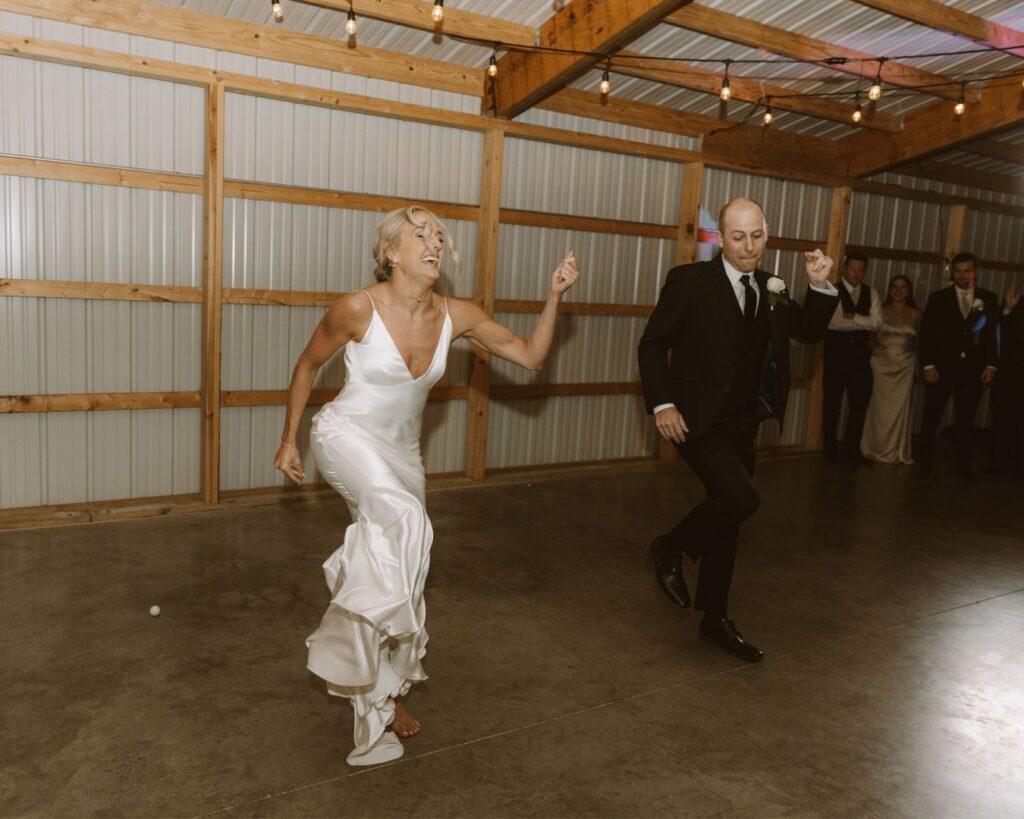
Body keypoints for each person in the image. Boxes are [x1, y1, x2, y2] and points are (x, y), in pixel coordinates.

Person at [274, 206, 579, 766]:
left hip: (403, 457)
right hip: (344, 434)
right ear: (393, 252)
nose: (434, 243)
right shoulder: (355, 309)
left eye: (439, 236)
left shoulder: (456, 314)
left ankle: (382, 692)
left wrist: (554, 295)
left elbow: (531, 358)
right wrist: (289, 439)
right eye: (421, 235)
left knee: (404, 568)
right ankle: (370, 706)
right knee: (404, 522)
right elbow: (306, 366)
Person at [638, 197, 838, 663]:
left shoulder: (772, 286)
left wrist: (820, 285)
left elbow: (806, 330)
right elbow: (653, 343)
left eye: (757, 236)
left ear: (767, 234)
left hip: (745, 421)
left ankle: (715, 619)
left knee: (728, 517)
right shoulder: (689, 282)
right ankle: (669, 547)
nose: (748, 247)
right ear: (720, 238)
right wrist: (662, 403)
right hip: (697, 420)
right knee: (742, 499)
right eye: (738, 237)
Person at [918, 252, 999, 478]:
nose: (963, 275)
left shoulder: (988, 299)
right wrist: (928, 365)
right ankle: (924, 465)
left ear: (976, 271)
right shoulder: (938, 298)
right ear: (953, 272)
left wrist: (992, 364)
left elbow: (993, 334)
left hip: (973, 370)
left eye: (968, 271)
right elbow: (926, 335)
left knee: (966, 419)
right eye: (958, 271)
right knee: (931, 417)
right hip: (941, 369)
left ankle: (963, 466)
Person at [822, 253, 882, 462]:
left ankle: (851, 450)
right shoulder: (833, 291)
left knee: (860, 404)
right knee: (832, 404)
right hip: (836, 358)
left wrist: (854, 317)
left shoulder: (871, 293)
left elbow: (877, 323)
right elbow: (833, 323)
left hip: (862, 360)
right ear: (844, 269)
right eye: (853, 269)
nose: (856, 273)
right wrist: (863, 321)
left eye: (860, 270)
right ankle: (828, 450)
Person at [860, 275, 920, 464]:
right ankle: (875, 447)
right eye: (894, 286)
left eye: (903, 287)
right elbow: (870, 339)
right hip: (881, 366)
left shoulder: (916, 314)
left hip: (905, 366)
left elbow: (921, 342)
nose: (898, 290)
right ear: (889, 290)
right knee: (879, 409)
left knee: (899, 409)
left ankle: (896, 451)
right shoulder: (880, 311)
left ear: (909, 291)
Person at [991, 282, 1023, 479]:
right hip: (1010, 374)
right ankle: (999, 462)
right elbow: (1000, 331)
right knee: (1002, 418)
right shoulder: (1017, 302)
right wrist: (1008, 309)